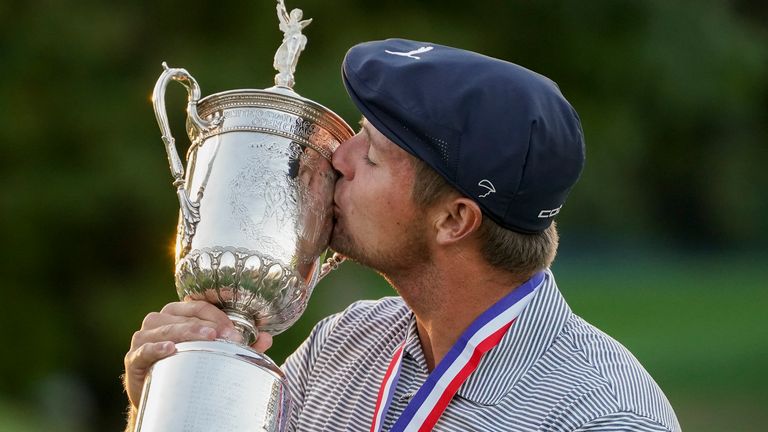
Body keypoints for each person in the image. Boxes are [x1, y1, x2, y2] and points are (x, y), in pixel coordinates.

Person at [124, 38, 681, 431]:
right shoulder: (340, 348)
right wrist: (168, 402)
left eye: (373, 155)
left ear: (454, 220)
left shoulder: (601, 415)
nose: (337, 158)